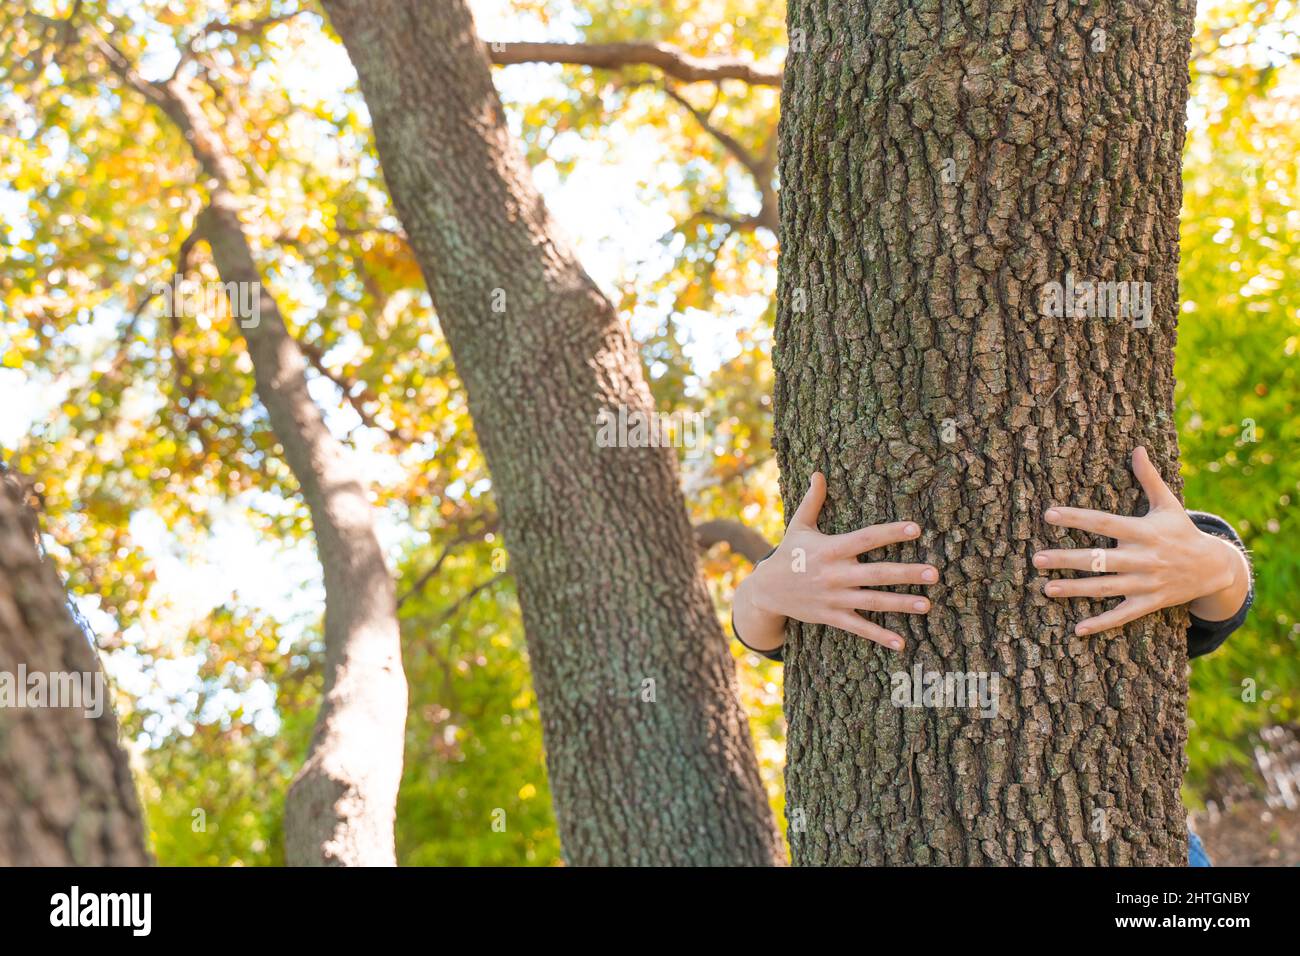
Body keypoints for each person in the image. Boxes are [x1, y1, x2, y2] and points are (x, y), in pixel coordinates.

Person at [731, 446, 1253, 866]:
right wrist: (759, 593)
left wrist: (1220, 567)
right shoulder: (822, 572)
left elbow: (1214, 612)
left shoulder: (1147, 549)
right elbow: (770, 635)